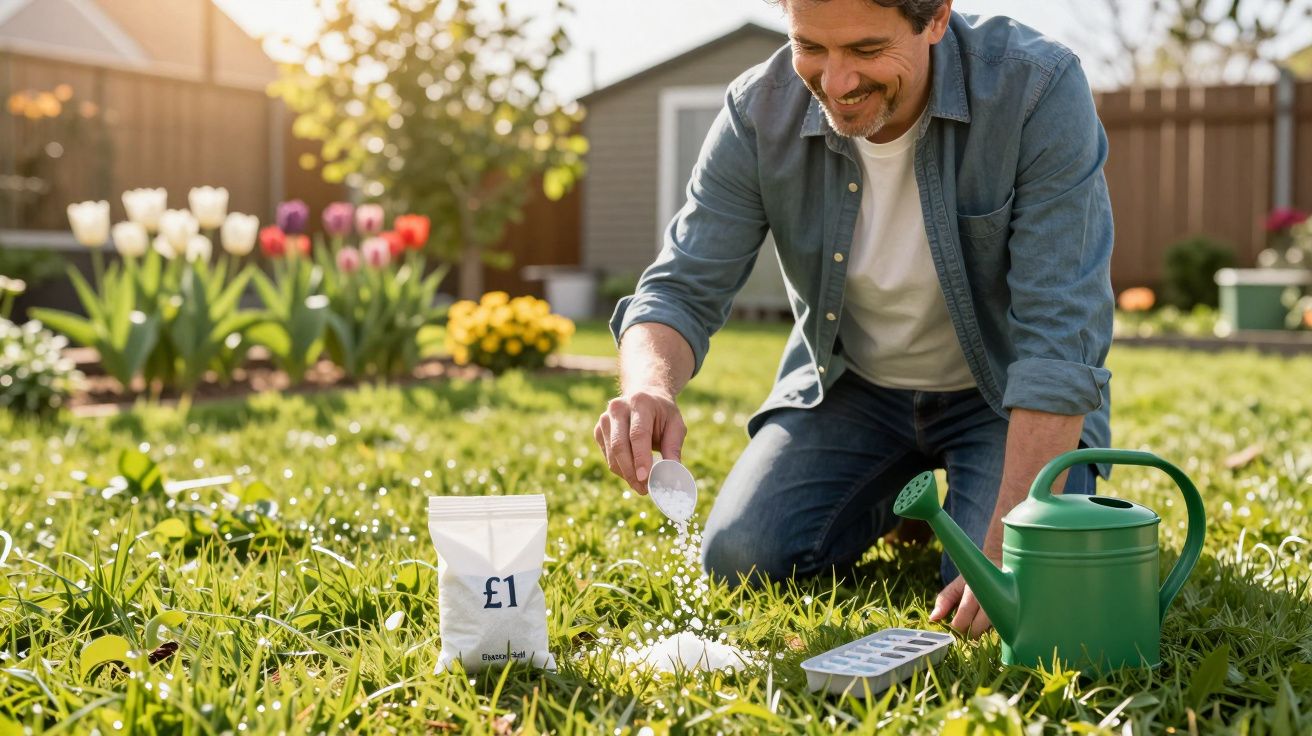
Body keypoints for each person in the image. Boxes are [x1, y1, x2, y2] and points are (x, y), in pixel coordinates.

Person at [593, 0, 1114, 639]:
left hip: (1002, 400)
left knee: (1008, 590)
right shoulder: (758, 110)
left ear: (936, 18)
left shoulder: (1036, 88)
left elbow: (1060, 335)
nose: (836, 83)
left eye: (867, 50)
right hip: (852, 389)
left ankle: (956, 501)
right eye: (810, 47)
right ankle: (901, 495)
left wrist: (1014, 539)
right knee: (740, 558)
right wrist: (649, 386)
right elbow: (679, 287)